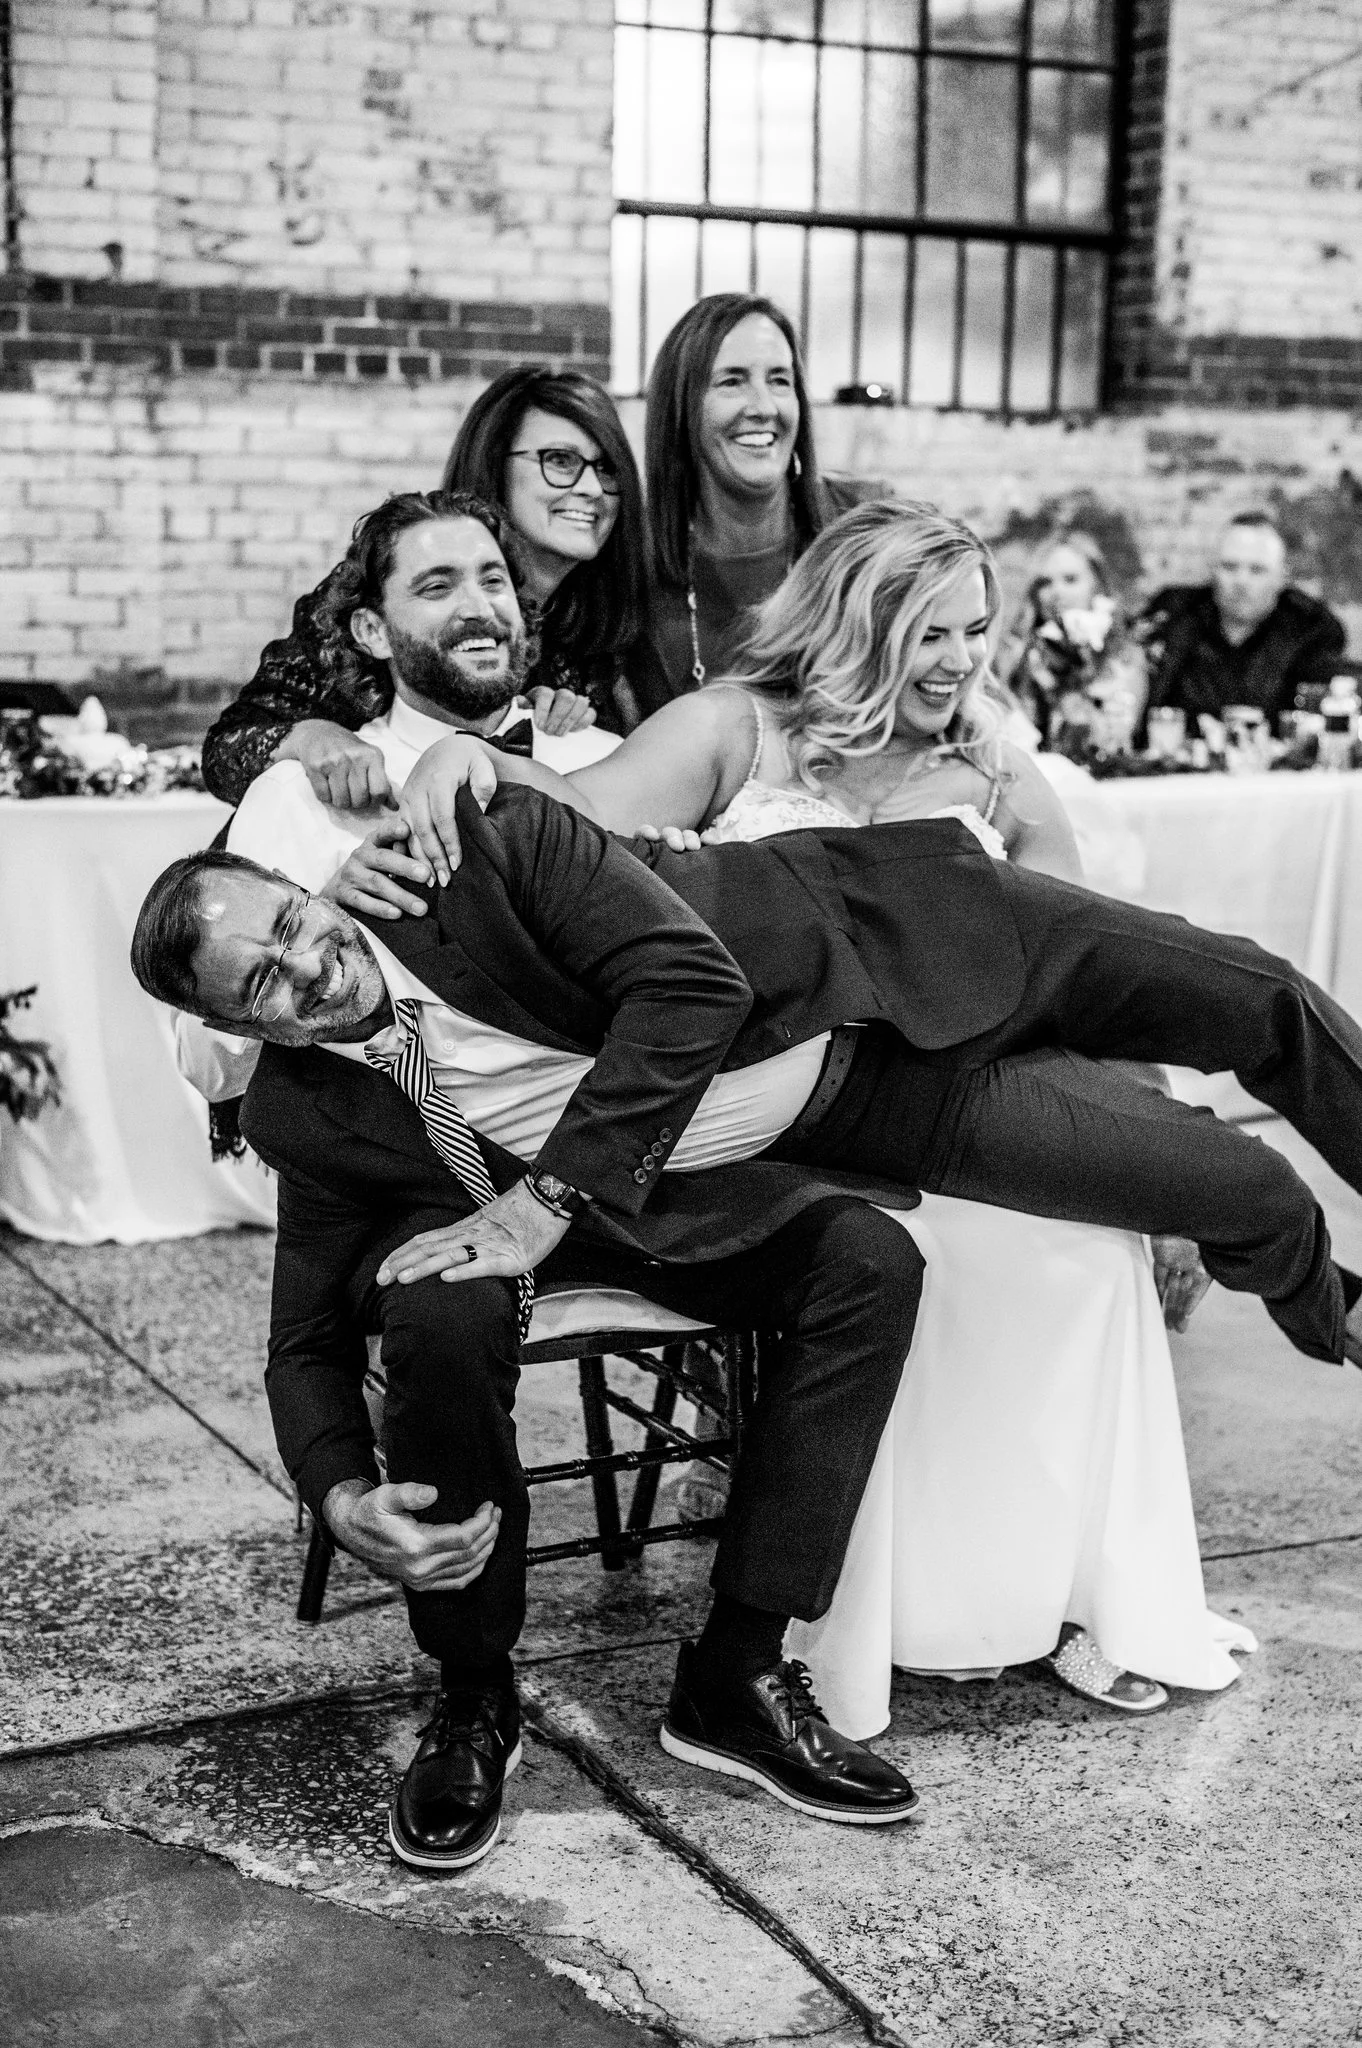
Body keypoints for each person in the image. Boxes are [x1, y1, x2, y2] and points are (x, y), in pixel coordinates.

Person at [134, 777, 1362, 1833]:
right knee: (1229, 1187)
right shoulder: (305, 1110)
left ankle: (1336, 1307)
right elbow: (300, 1336)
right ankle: (602, 1684)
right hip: (852, 1109)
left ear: (304, 885)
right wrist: (342, 1491)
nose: (311, 962)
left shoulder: (473, 858)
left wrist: (542, 1202)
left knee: (1257, 1001)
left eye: (292, 920)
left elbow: (691, 982)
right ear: (230, 1022)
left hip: (889, 942)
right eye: (268, 981)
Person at [379, 501, 1259, 1727]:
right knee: (908, 1255)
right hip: (787, 1109)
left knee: (1076, 1242)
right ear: (859, 620)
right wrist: (452, 757)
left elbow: (1085, 964)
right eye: (931, 629)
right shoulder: (734, 727)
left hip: (964, 1090)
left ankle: (1057, 1592)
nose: (960, 660)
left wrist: (1151, 1144)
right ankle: (866, 1615)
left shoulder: (991, 757)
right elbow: (573, 808)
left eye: (976, 630)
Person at [177, 489, 621, 1129]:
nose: (478, 608)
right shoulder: (299, 797)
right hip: (390, 1176)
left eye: (492, 581)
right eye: (437, 587)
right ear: (373, 630)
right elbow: (204, 1068)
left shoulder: (599, 755)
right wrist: (312, 932)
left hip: (602, 1154)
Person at [199, 366, 663, 808]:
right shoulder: (378, 598)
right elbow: (226, 751)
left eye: (607, 469)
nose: (593, 490)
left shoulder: (599, 619)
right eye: (559, 461)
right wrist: (312, 736)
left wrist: (541, 714)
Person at [644, 293, 875, 700]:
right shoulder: (630, 556)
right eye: (732, 381)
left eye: (779, 381)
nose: (764, 407)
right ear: (680, 407)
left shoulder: (865, 527)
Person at [1138, 512, 1347, 736]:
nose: (1241, 581)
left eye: (1257, 570)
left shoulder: (1311, 627)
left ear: (1282, 576)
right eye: (1230, 567)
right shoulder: (1175, 616)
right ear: (1212, 569)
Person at [997, 531, 1148, 756]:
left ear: (1096, 585)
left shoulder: (1124, 655)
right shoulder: (1016, 654)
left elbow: (1120, 736)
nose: (1056, 592)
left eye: (1070, 580)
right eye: (1045, 583)